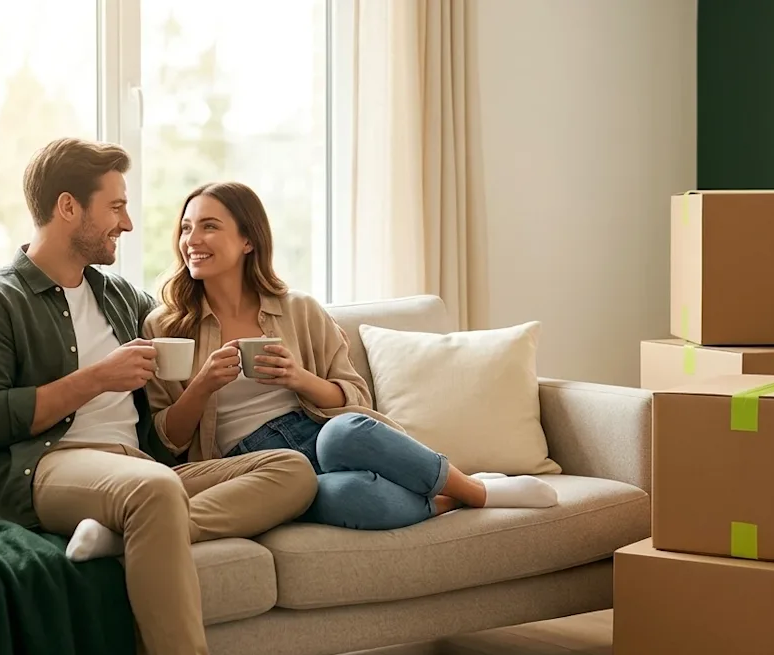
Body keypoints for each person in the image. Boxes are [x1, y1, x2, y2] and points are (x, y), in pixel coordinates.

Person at [0, 140, 317, 655]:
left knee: (292, 470)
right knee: (154, 490)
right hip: (47, 463)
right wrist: (96, 378)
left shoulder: (120, 297)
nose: (129, 222)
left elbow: (192, 308)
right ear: (69, 208)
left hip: (138, 471)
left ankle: (135, 532)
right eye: (115, 207)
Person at [138, 181, 559, 532]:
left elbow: (357, 400)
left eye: (209, 227)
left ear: (248, 239)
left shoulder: (298, 309)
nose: (191, 240)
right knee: (350, 497)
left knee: (345, 432)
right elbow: (166, 438)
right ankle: (448, 500)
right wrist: (203, 384)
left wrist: (298, 378)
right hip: (255, 467)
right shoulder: (166, 326)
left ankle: (478, 490)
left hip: (317, 433)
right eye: (186, 228)